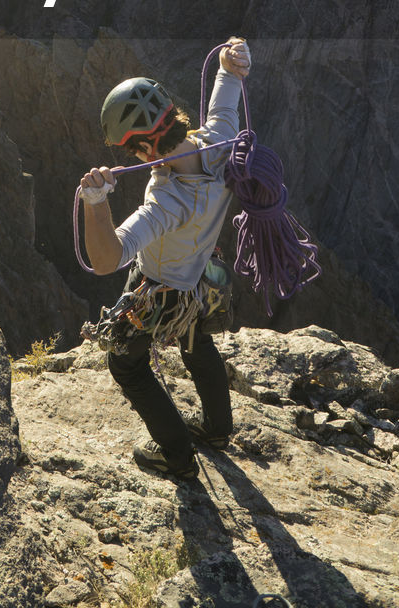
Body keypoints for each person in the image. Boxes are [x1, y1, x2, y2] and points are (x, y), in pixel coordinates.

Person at [80, 37, 251, 481]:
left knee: (127, 364)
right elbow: (223, 107)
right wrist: (231, 66)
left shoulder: (167, 202)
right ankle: (216, 429)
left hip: (159, 291)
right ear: (173, 115)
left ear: (144, 149)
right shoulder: (217, 144)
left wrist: (96, 203)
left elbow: (108, 258)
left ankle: (176, 455)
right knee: (198, 346)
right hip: (200, 277)